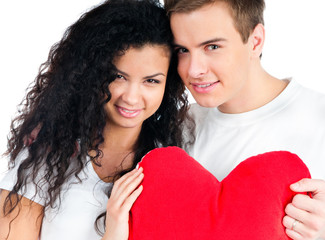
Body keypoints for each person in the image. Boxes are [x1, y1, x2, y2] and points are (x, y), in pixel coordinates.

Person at [163, 0, 325, 239]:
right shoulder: (175, 130)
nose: (193, 70)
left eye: (212, 47)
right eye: (182, 50)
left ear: (255, 41)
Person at [0, 0, 191, 239]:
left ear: (169, 85)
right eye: (118, 76)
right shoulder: (45, 157)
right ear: (90, 73)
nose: (131, 97)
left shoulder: (176, 157)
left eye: (151, 81)